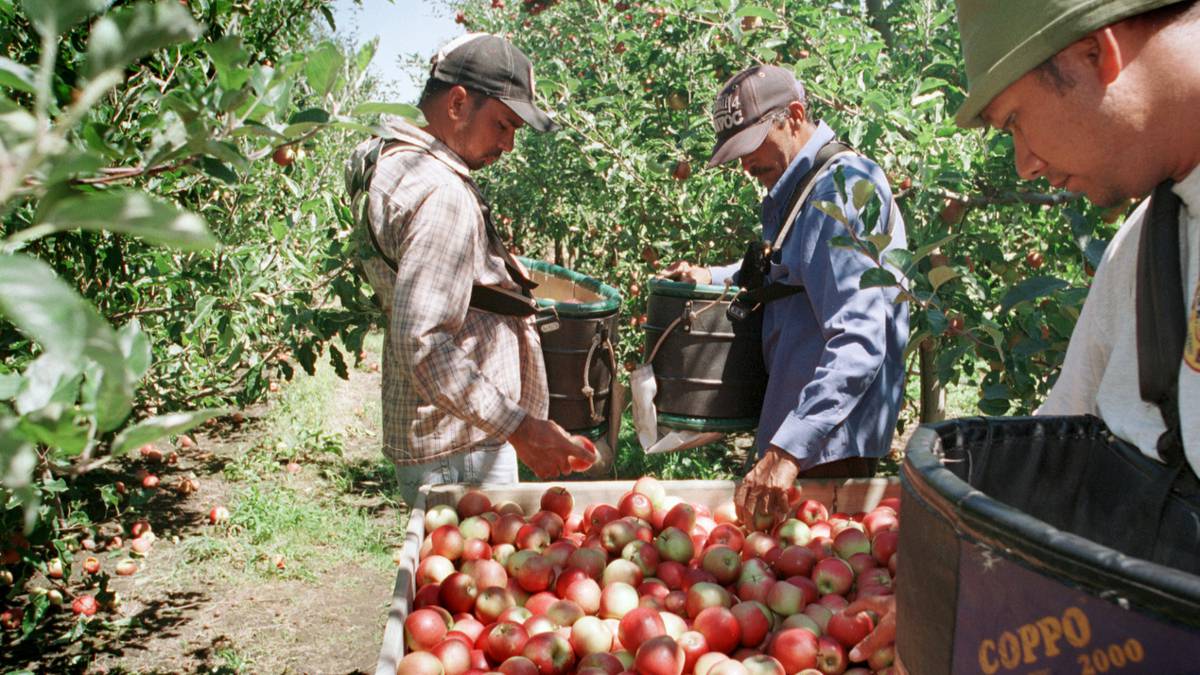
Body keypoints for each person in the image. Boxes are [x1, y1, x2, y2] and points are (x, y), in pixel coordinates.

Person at [850, 0, 1200, 662]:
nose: (1024, 165)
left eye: (1015, 121)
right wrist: (961, 608)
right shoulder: (1150, 246)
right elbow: (1063, 454)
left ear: (1097, 53)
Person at [345, 33, 593, 507]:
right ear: (458, 102)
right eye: (503, 124)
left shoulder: (382, 158)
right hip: (460, 445)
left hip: (436, 430)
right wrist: (521, 429)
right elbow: (425, 342)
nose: (509, 144)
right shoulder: (443, 194)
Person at [662, 65, 909, 522]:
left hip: (826, 442)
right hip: (806, 430)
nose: (746, 164)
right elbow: (795, 268)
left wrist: (788, 451)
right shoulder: (803, 186)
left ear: (794, 116)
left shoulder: (839, 192)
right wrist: (712, 276)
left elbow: (859, 340)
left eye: (753, 145)